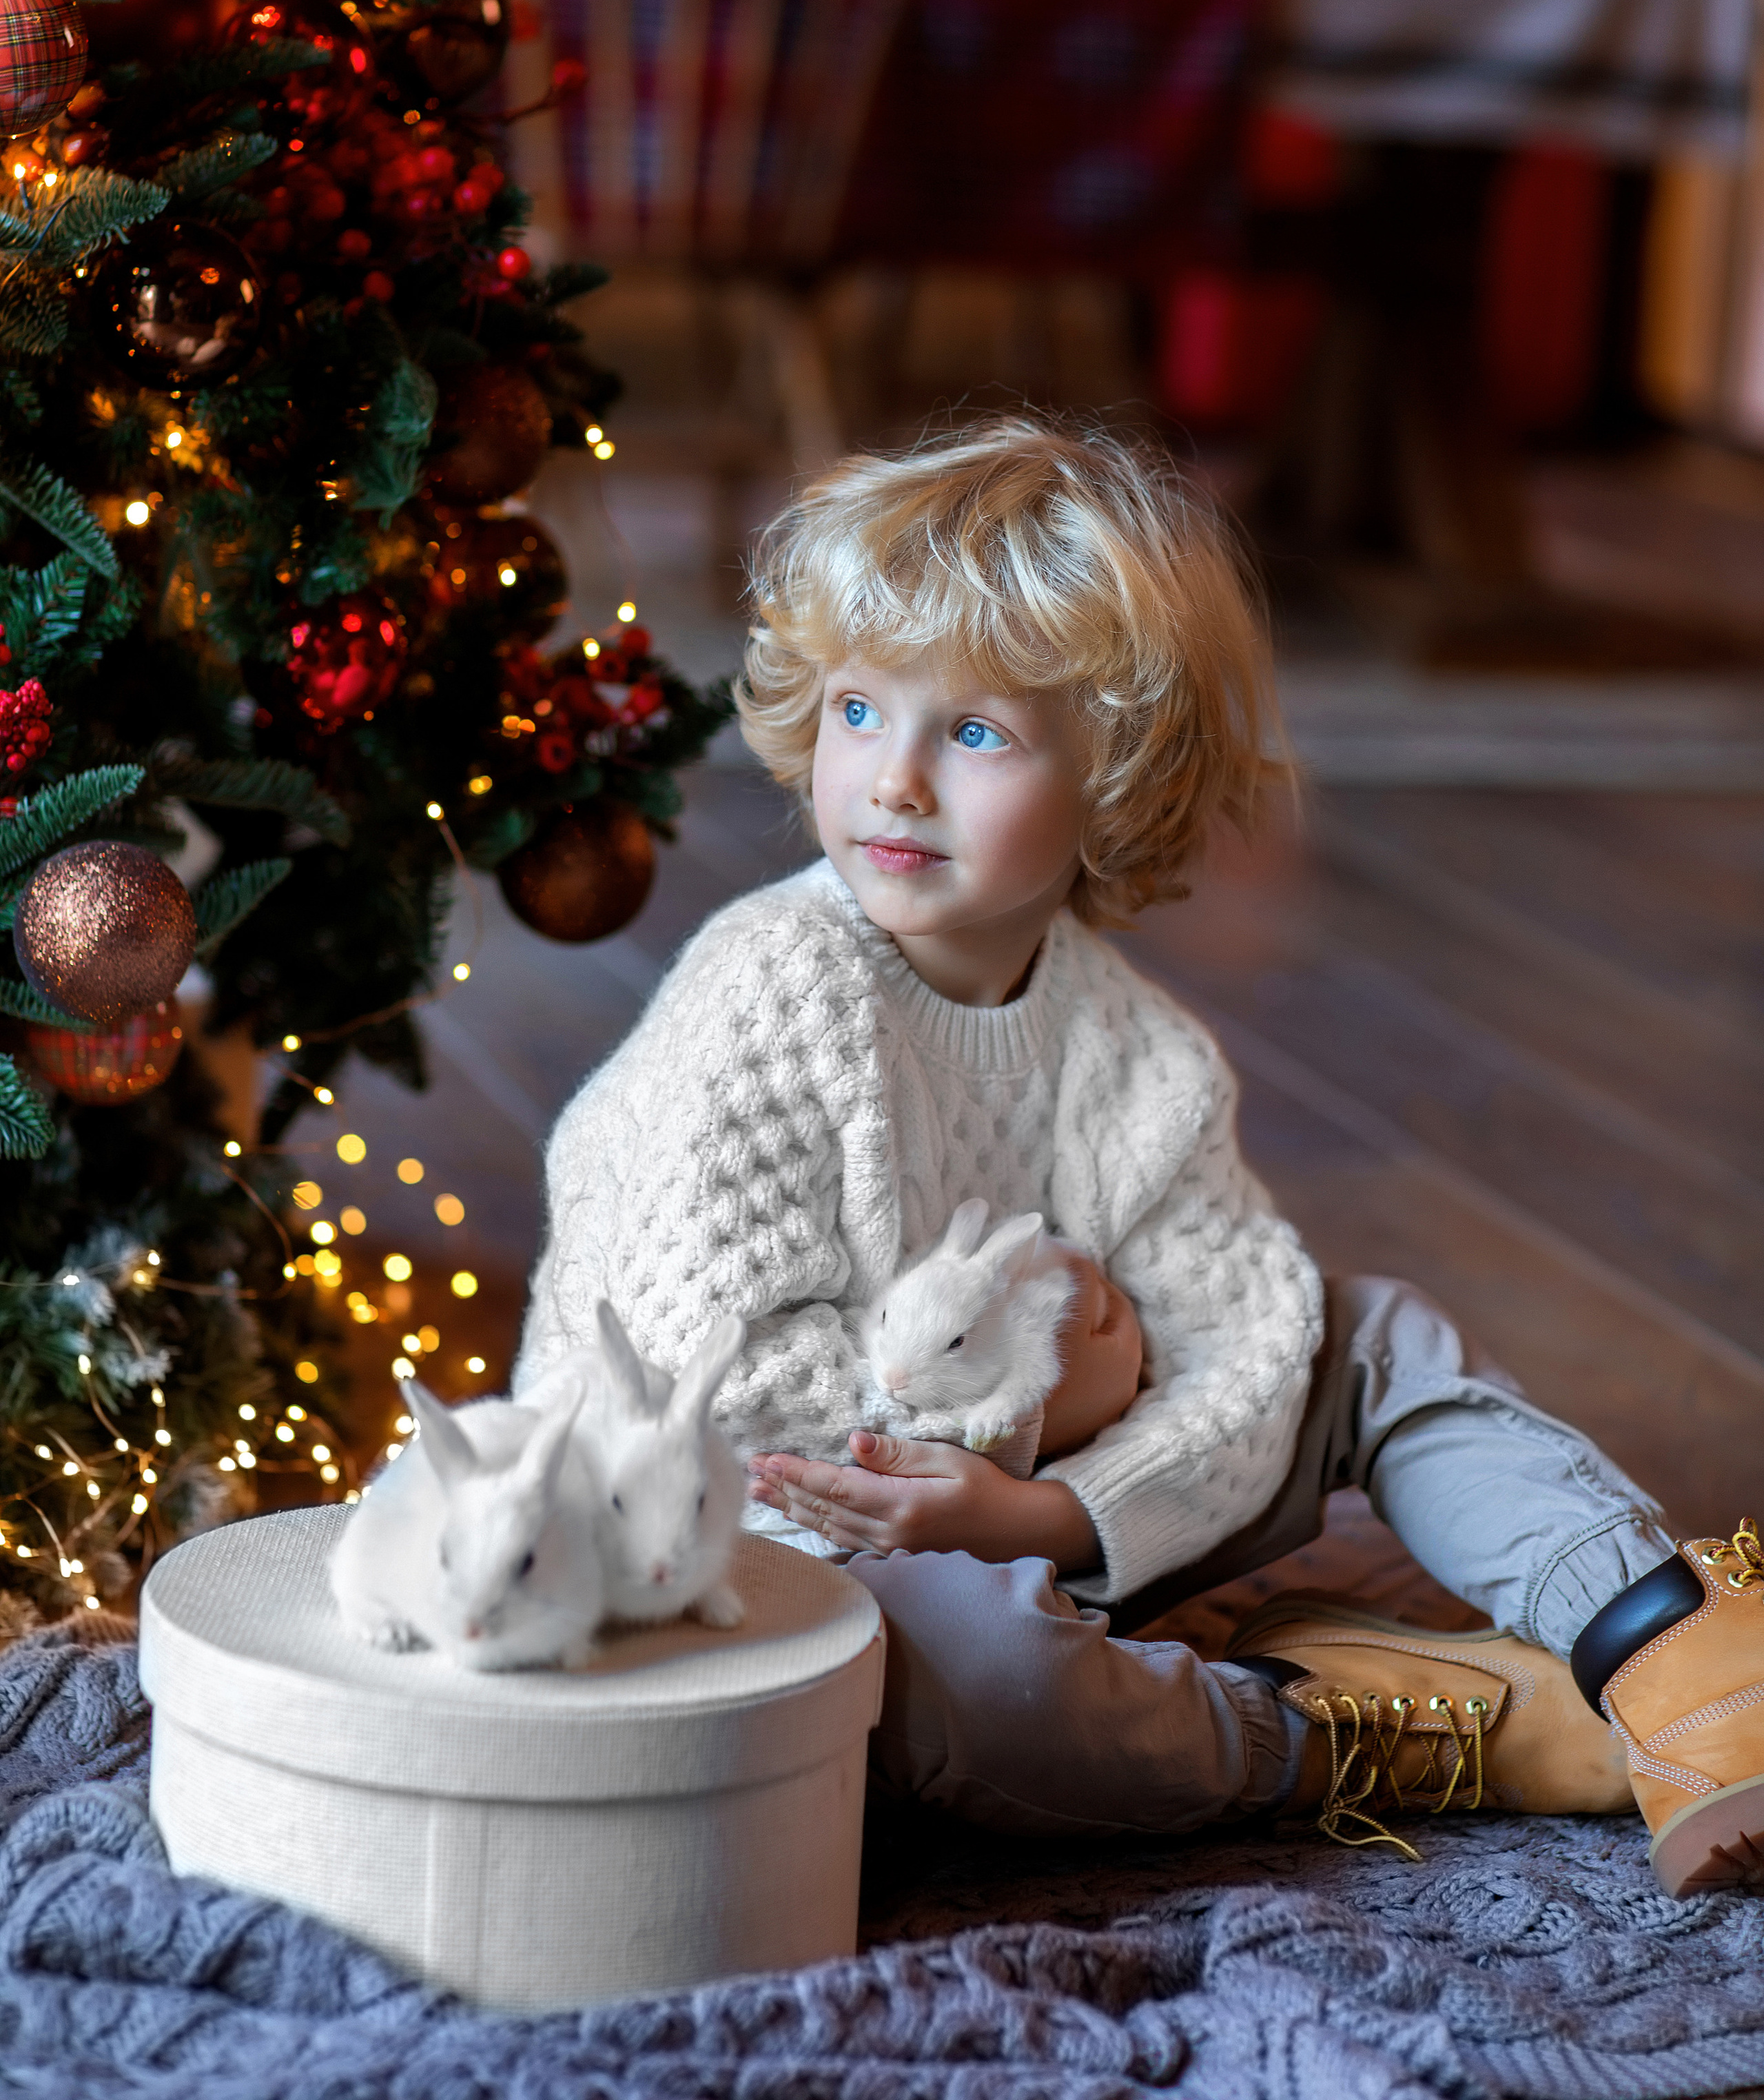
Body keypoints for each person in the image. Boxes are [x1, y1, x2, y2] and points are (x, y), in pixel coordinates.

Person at [517, 415, 1764, 1898]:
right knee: (987, 1684)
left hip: (1042, 1513)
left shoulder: (1140, 1055)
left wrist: (1049, 1510)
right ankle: (1384, 1731)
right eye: (858, 709)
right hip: (763, 1551)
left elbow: (1250, 1341)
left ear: (1112, 773)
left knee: (1364, 1334)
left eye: (975, 732)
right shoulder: (772, 990)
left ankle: (1668, 1653)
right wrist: (1029, 1430)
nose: (894, 780)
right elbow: (717, 1394)